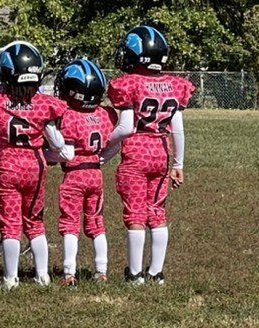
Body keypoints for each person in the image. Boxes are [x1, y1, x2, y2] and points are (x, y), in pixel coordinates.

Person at [0, 41, 73, 289]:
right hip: (35, 165)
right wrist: (62, 152)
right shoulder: (44, 104)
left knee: (10, 224)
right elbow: (56, 140)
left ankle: (10, 277)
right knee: (35, 222)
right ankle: (42, 275)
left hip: (9, 164)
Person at [106, 25, 194, 285]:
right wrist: (178, 163)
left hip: (137, 149)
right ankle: (156, 272)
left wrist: (102, 146)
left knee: (135, 213)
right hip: (162, 150)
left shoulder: (129, 83)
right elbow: (177, 129)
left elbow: (125, 127)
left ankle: (134, 274)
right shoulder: (173, 85)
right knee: (157, 211)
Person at [49, 58, 117, 286]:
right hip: (95, 173)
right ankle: (102, 269)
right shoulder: (106, 115)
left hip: (74, 175)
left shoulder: (67, 116)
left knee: (70, 223)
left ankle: (69, 271)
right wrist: (101, 159)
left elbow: (61, 151)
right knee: (96, 222)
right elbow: (115, 142)